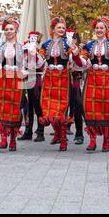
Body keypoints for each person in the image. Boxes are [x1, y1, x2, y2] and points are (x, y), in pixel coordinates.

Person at [72, 16, 109, 152]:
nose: (99, 30)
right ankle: (92, 140)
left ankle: (106, 140)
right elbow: (83, 63)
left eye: (102, 28)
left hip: (108, 79)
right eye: (97, 28)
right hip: (93, 78)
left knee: (107, 106)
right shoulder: (89, 45)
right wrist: (76, 55)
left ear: (106, 30)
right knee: (89, 106)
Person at [0, 18, 26, 152]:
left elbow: (28, 64)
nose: (9, 31)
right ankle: (3, 137)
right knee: (1, 105)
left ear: (16, 30)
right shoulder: (0, 48)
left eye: (11, 29)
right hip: (3, 77)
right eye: (6, 29)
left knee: (15, 107)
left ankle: (13, 139)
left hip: (16, 78)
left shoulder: (22, 47)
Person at [38, 17, 74, 151]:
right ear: (53, 29)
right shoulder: (46, 44)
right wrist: (31, 53)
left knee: (61, 108)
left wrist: (73, 50)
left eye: (63, 28)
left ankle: (63, 139)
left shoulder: (67, 43)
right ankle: (57, 134)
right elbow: (39, 62)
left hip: (63, 77)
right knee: (49, 107)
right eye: (59, 28)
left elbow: (73, 59)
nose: (61, 30)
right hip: (49, 78)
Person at [18, 31, 46, 142]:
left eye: (34, 39)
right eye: (31, 38)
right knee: (28, 105)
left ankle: (40, 131)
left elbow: (39, 64)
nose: (32, 40)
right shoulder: (26, 49)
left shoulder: (41, 50)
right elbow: (24, 63)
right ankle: (28, 131)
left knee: (38, 105)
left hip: (37, 78)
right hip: (28, 77)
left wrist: (33, 52)